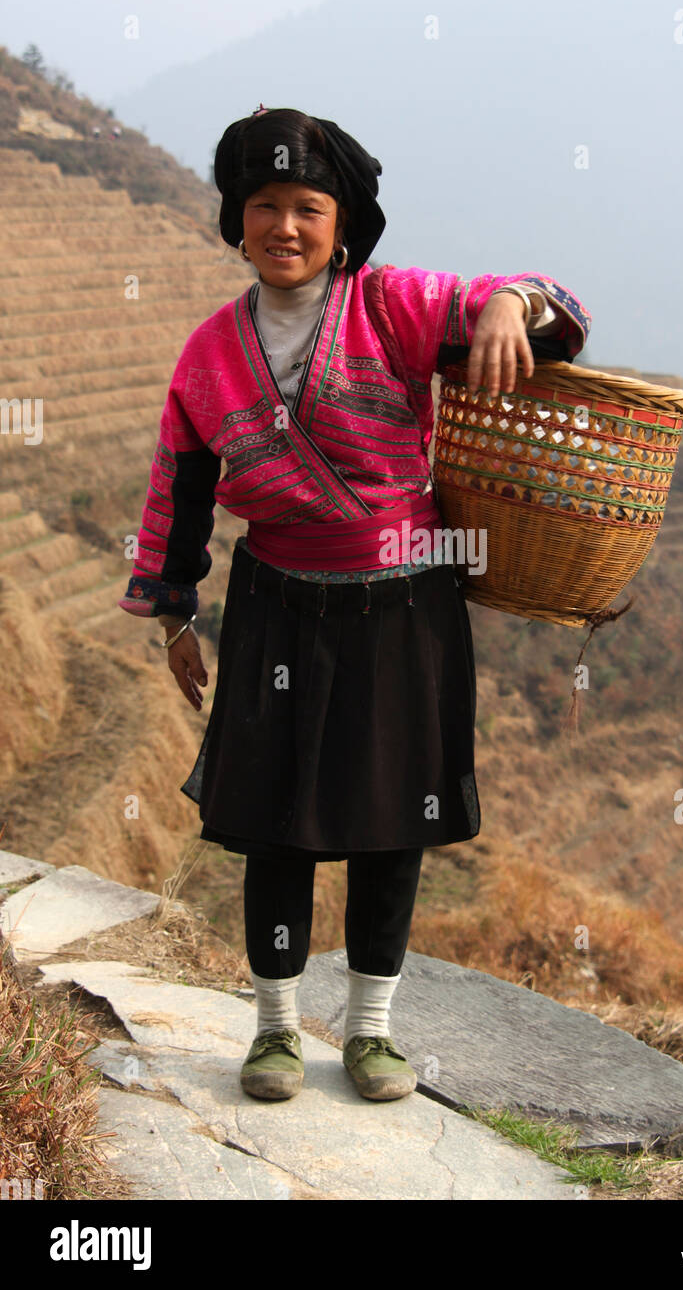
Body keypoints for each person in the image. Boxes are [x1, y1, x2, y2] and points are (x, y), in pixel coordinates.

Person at [117, 105, 591, 1104]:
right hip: (278, 604)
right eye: (263, 206)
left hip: (401, 607)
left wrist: (507, 305)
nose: (283, 226)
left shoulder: (392, 306)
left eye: (306, 207)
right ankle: (276, 1030)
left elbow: (533, 302)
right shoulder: (209, 354)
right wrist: (175, 613)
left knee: (390, 823)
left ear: (342, 224)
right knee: (276, 825)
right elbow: (180, 486)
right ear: (235, 221)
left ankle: (371, 1033)